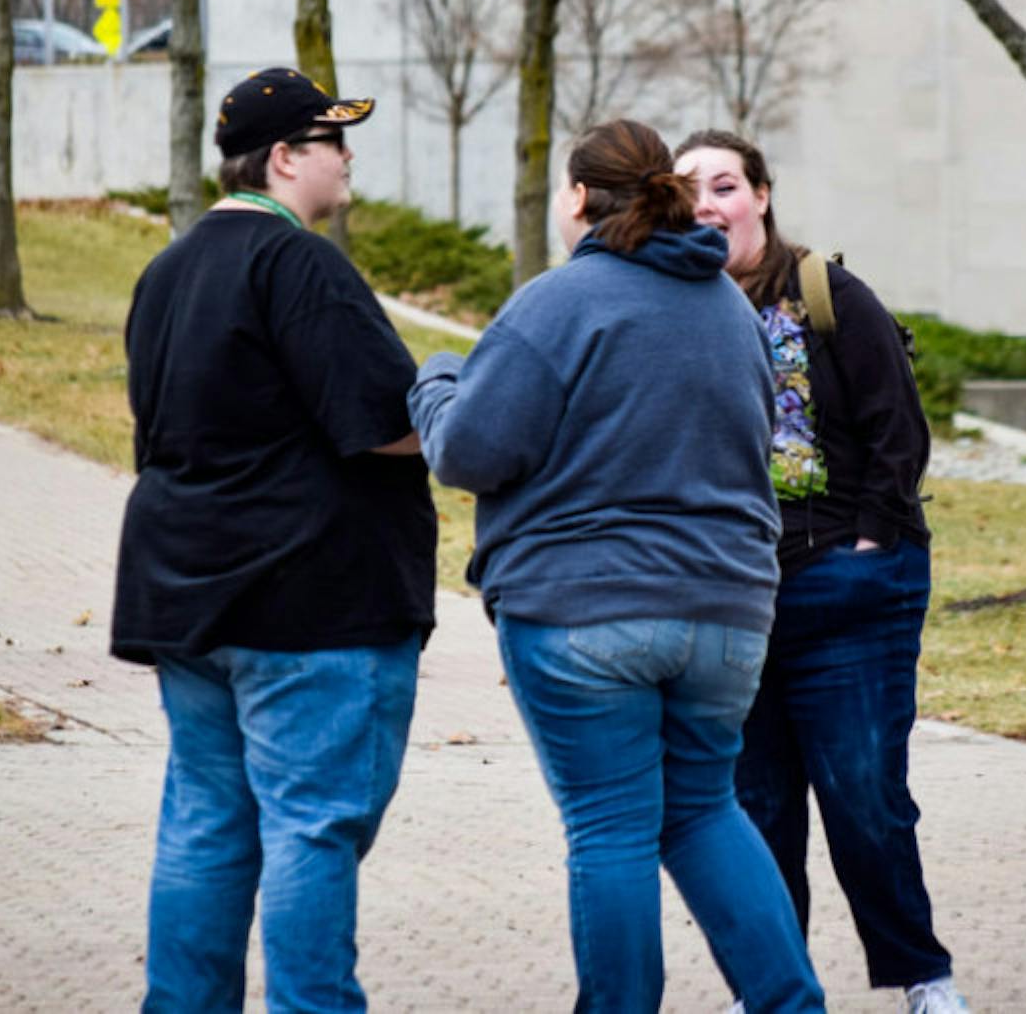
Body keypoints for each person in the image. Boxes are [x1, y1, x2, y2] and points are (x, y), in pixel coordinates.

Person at [409, 120, 824, 1013]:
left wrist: (438, 381)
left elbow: (469, 453)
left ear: (577, 199)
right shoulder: (727, 308)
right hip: (728, 611)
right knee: (706, 809)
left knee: (611, 829)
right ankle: (794, 1006)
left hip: (585, 610)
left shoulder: (560, 302)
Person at [114, 67, 436, 1012]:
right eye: (334, 142)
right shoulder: (301, 264)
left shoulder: (168, 269)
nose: (348, 158)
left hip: (189, 592)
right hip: (310, 606)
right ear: (287, 158)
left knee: (207, 823)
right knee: (314, 826)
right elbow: (385, 420)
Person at [674, 130, 966, 1014]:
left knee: (865, 802)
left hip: (846, 587)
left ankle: (924, 976)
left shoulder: (826, 294)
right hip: (732, 598)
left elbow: (897, 431)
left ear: (762, 195)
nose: (707, 205)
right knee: (754, 810)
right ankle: (773, 986)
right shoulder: (675, 303)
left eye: (725, 185)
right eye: (687, 190)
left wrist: (873, 541)